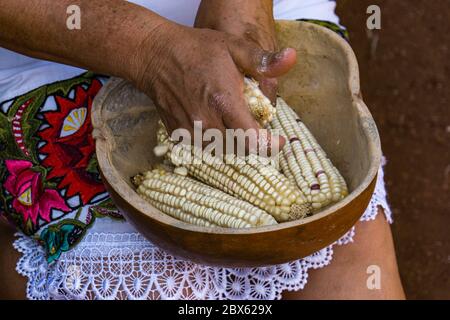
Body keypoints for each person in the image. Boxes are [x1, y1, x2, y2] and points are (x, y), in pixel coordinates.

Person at [0, 0, 405, 299]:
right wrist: (153, 51)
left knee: (357, 286)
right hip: (51, 50)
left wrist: (244, 18)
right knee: (167, 288)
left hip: (267, 14)